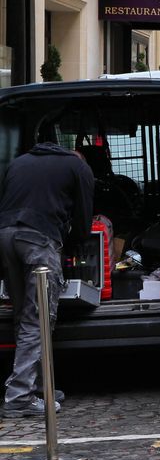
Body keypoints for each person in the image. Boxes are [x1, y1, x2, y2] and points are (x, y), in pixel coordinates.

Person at [0, 135, 93, 417]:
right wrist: (75, 246)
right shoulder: (78, 167)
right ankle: (19, 397)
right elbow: (83, 217)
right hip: (38, 241)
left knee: (24, 315)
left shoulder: (19, 162)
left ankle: (40, 386)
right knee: (38, 319)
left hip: (5, 237)